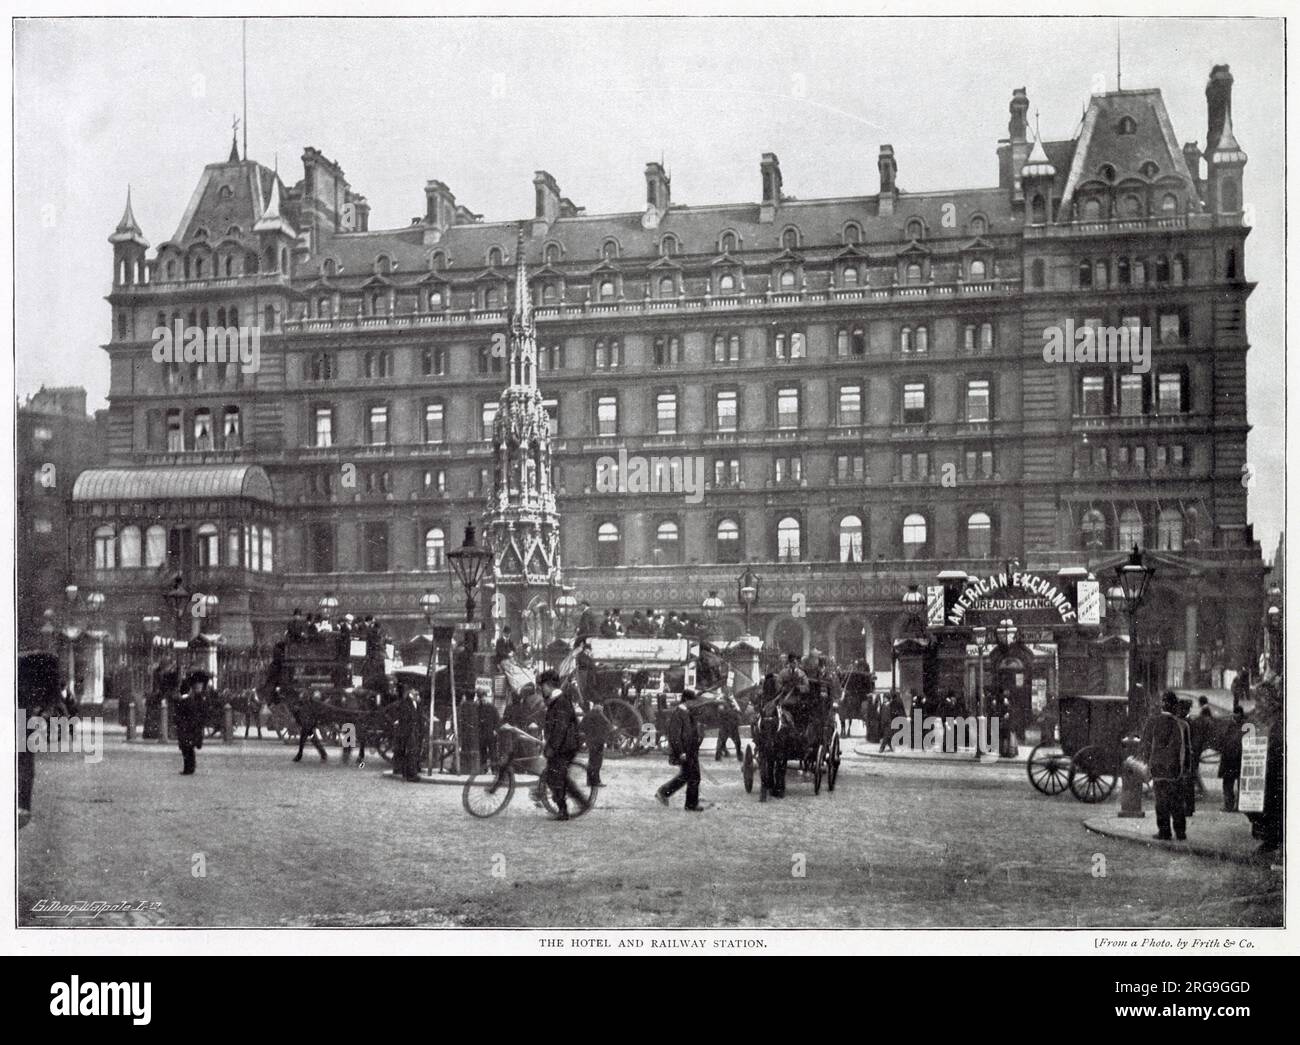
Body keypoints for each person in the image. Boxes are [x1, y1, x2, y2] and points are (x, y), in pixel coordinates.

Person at [1140, 691, 1191, 841]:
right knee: (1177, 802)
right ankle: (1180, 832)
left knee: (1161, 802)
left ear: (1162, 704)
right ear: (1175, 706)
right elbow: (1188, 750)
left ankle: (1164, 831)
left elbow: (1146, 745)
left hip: (1158, 769)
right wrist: (1187, 769)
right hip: (1176, 770)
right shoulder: (1183, 725)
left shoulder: (1152, 722)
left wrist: (1147, 765)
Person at [541, 669, 585, 820]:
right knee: (559, 776)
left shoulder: (560, 701)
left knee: (555, 777)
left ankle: (563, 811)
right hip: (564, 745)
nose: (541, 689)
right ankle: (580, 801)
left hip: (565, 746)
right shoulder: (557, 700)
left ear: (548, 685)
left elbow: (560, 728)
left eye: (542, 686)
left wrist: (551, 748)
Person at [657, 688, 706, 811]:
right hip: (685, 751)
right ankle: (690, 804)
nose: (693, 704)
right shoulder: (678, 714)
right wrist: (681, 752)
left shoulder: (687, 712)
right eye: (691, 701)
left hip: (691, 750)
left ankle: (664, 793)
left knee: (687, 776)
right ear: (686, 700)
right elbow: (675, 736)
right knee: (693, 776)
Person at [173, 670, 209, 775]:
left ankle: (189, 768)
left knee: (187, 748)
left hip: (189, 726)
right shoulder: (193, 698)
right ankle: (189, 767)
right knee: (187, 748)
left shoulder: (193, 698)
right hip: (189, 726)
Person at [1218, 706, 1245, 812]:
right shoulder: (1228, 725)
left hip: (1237, 759)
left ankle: (1238, 805)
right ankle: (1229, 805)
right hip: (1229, 759)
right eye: (1235, 713)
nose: (1236, 715)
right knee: (1228, 784)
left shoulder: (1244, 726)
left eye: (1238, 713)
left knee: (1239, 783)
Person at [581, 698, 610, 787]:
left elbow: (581, 727)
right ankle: (596, 781)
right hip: (598, 742)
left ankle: (590, 781)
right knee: (597, 762)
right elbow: (607, 724)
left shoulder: (588, 715)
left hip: (591, 742)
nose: (601, 707)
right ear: (597, 706)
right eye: (600, 705)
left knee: (591, 761)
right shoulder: (600, 715)